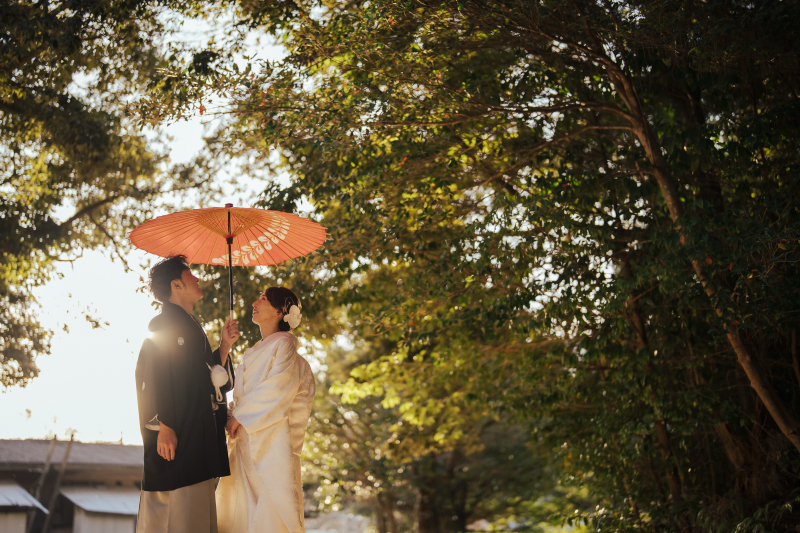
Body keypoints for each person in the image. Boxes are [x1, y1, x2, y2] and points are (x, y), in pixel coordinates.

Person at [135, 255, 240, 533]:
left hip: (194, 433)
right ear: (176, 285)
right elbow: (156, 374)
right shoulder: (165, 324)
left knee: (193, 512)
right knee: (177, 512)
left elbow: (203, 377)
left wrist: (224, 346)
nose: (197, 278)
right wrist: (165, 425)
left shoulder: (188, 325)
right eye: (190, 275)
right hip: (178, 434)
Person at [216, 287, 316, 533]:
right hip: (245, 438)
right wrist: (232, 415)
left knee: (270, 507)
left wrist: (240, 416)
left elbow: (279, 387)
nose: (255, 302)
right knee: (243, 511)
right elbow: (241, 394)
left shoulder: (285, 345)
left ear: (280, 311)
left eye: (263, 299)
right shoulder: (254, 350)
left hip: (270, 440)